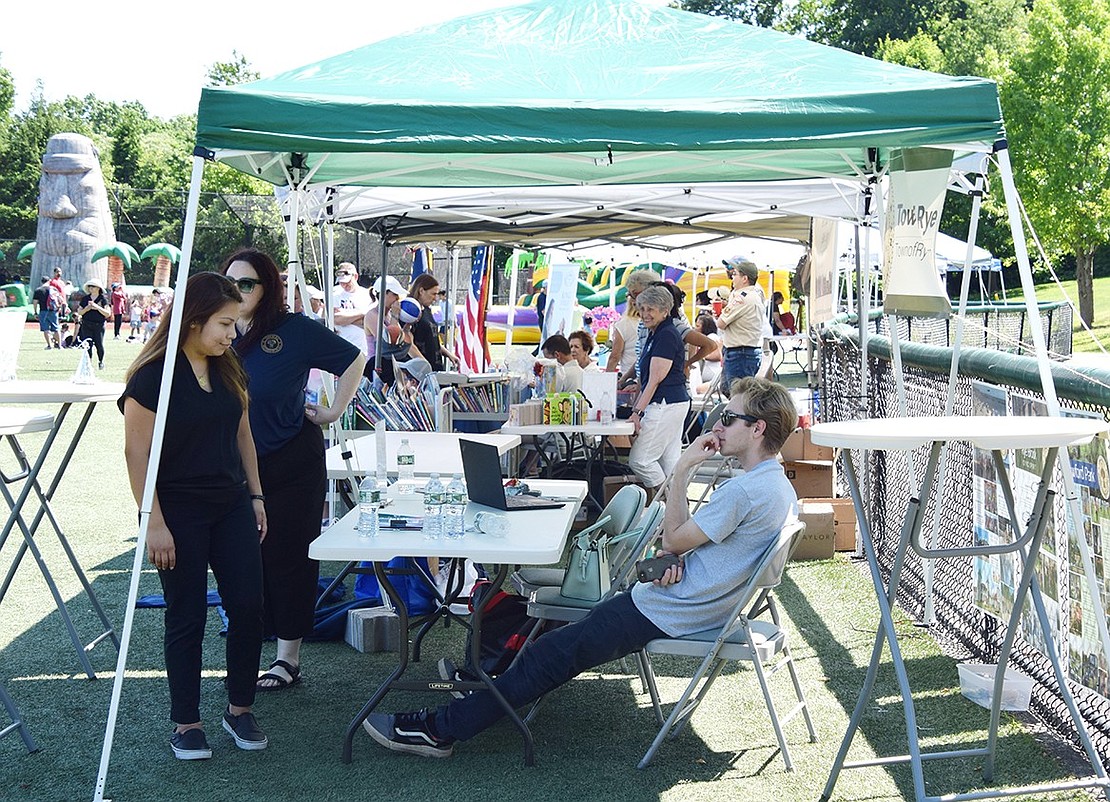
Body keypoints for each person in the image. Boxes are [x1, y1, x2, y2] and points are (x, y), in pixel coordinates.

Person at [362, 376, 798, 758]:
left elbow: (673, 537)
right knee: (549, 645)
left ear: (756, 428)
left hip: (674, 609)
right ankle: (471, 691)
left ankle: (439, 729)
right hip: (689, 601)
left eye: (729, 417)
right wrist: (680, 557)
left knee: (546, 657)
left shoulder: (744, 492)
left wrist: (683, 468)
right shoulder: (774, 486)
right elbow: (700, 546)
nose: (719, 425)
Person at [119, 272, 269, 760]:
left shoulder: (229, 368)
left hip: (231, 506)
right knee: (186, 615)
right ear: (193, 320)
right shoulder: (152, 376)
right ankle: (186, 723)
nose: (232, 334)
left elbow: (244, 435)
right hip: (177, 510)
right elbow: (136, 455)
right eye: (225, 324)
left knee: (248, 606)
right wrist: (154, 522)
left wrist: (257, 497)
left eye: (235, 324)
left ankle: (240, 710)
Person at [221, 249, 366, 693]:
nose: (236, 291)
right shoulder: (217, 333)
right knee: (242, 559)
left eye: (246, 284)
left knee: (289, 558)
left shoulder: (293, 330)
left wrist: (334, 410)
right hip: (235, 466)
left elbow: (354, 358)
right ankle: (251, 643)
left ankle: (288, 659)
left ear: (268, 289)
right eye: (229, 282)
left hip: (290, 461)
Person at [626, 285, 692, 491]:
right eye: (642, 308)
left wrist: (637, 412)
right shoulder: (658, 333)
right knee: (669, 461)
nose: (645, 314)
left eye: (650, 309)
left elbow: (655, 379)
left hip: (666, 402)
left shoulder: (666, 335)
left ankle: (670, 501)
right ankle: (678, 511)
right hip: (673, 402)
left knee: (641, 461)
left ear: (665, 311)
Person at [716, 256, 766, 387]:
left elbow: (720, 323)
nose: (732, 277)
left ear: (745, 279)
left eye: (735, 274)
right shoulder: (754, 294)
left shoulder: (742, 298)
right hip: (745, 352)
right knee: (734, 391)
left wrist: (722, 312)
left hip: (740, 354)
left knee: (738, 395)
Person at [365, 274, 419, 385]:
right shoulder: (372, 315)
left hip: (392, 366)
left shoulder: (389, 315)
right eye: (395, 294)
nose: (397, 299)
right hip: (378, 369)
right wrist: (395, 316)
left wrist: (423, 364)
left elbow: (404, 342)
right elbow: (390, 342)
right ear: (384, 293)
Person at [408, 273, 459, 372]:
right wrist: (424, 365)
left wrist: (449, 354)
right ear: (421, 291)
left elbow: (432, 339)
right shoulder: (410, 311)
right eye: (433, 294)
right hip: (421, 371)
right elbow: (408, 343)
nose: (435, 298)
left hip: (436, 366)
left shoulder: (427, 310)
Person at [332, 262, 371, 355]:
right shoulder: (335, 295)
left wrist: (346, 317)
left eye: (347, 282)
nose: (345, 285)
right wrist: (363, 312)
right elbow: (336, 319)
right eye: (342, 282)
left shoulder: (367, 295)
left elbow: (369, 321)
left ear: (356, 277)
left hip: (363, 348)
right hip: (343, 348)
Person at [76, 278, 111, 369]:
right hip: (86, 324)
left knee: (99, 344)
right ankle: (88, 363)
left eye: (93, 286)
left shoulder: (103, 299)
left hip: (99, 325)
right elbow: (79, 312)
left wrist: (97, 308)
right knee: (88, 344)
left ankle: (101, 361)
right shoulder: (85, 299)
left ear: (98, 288)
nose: (91, 288)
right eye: (90, 286)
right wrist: (87, 308)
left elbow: (108, 313)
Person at [32, 277, 60, 350]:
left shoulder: (38, 290)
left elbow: (35, 302)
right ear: (49, 281)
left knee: (45, 329)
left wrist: (35, 312)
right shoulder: (53, 289)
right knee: (56, 328)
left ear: (41, 281)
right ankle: (59, 345)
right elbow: (59, 299)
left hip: (43, 311)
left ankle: (49, 345)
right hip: (53, 310)